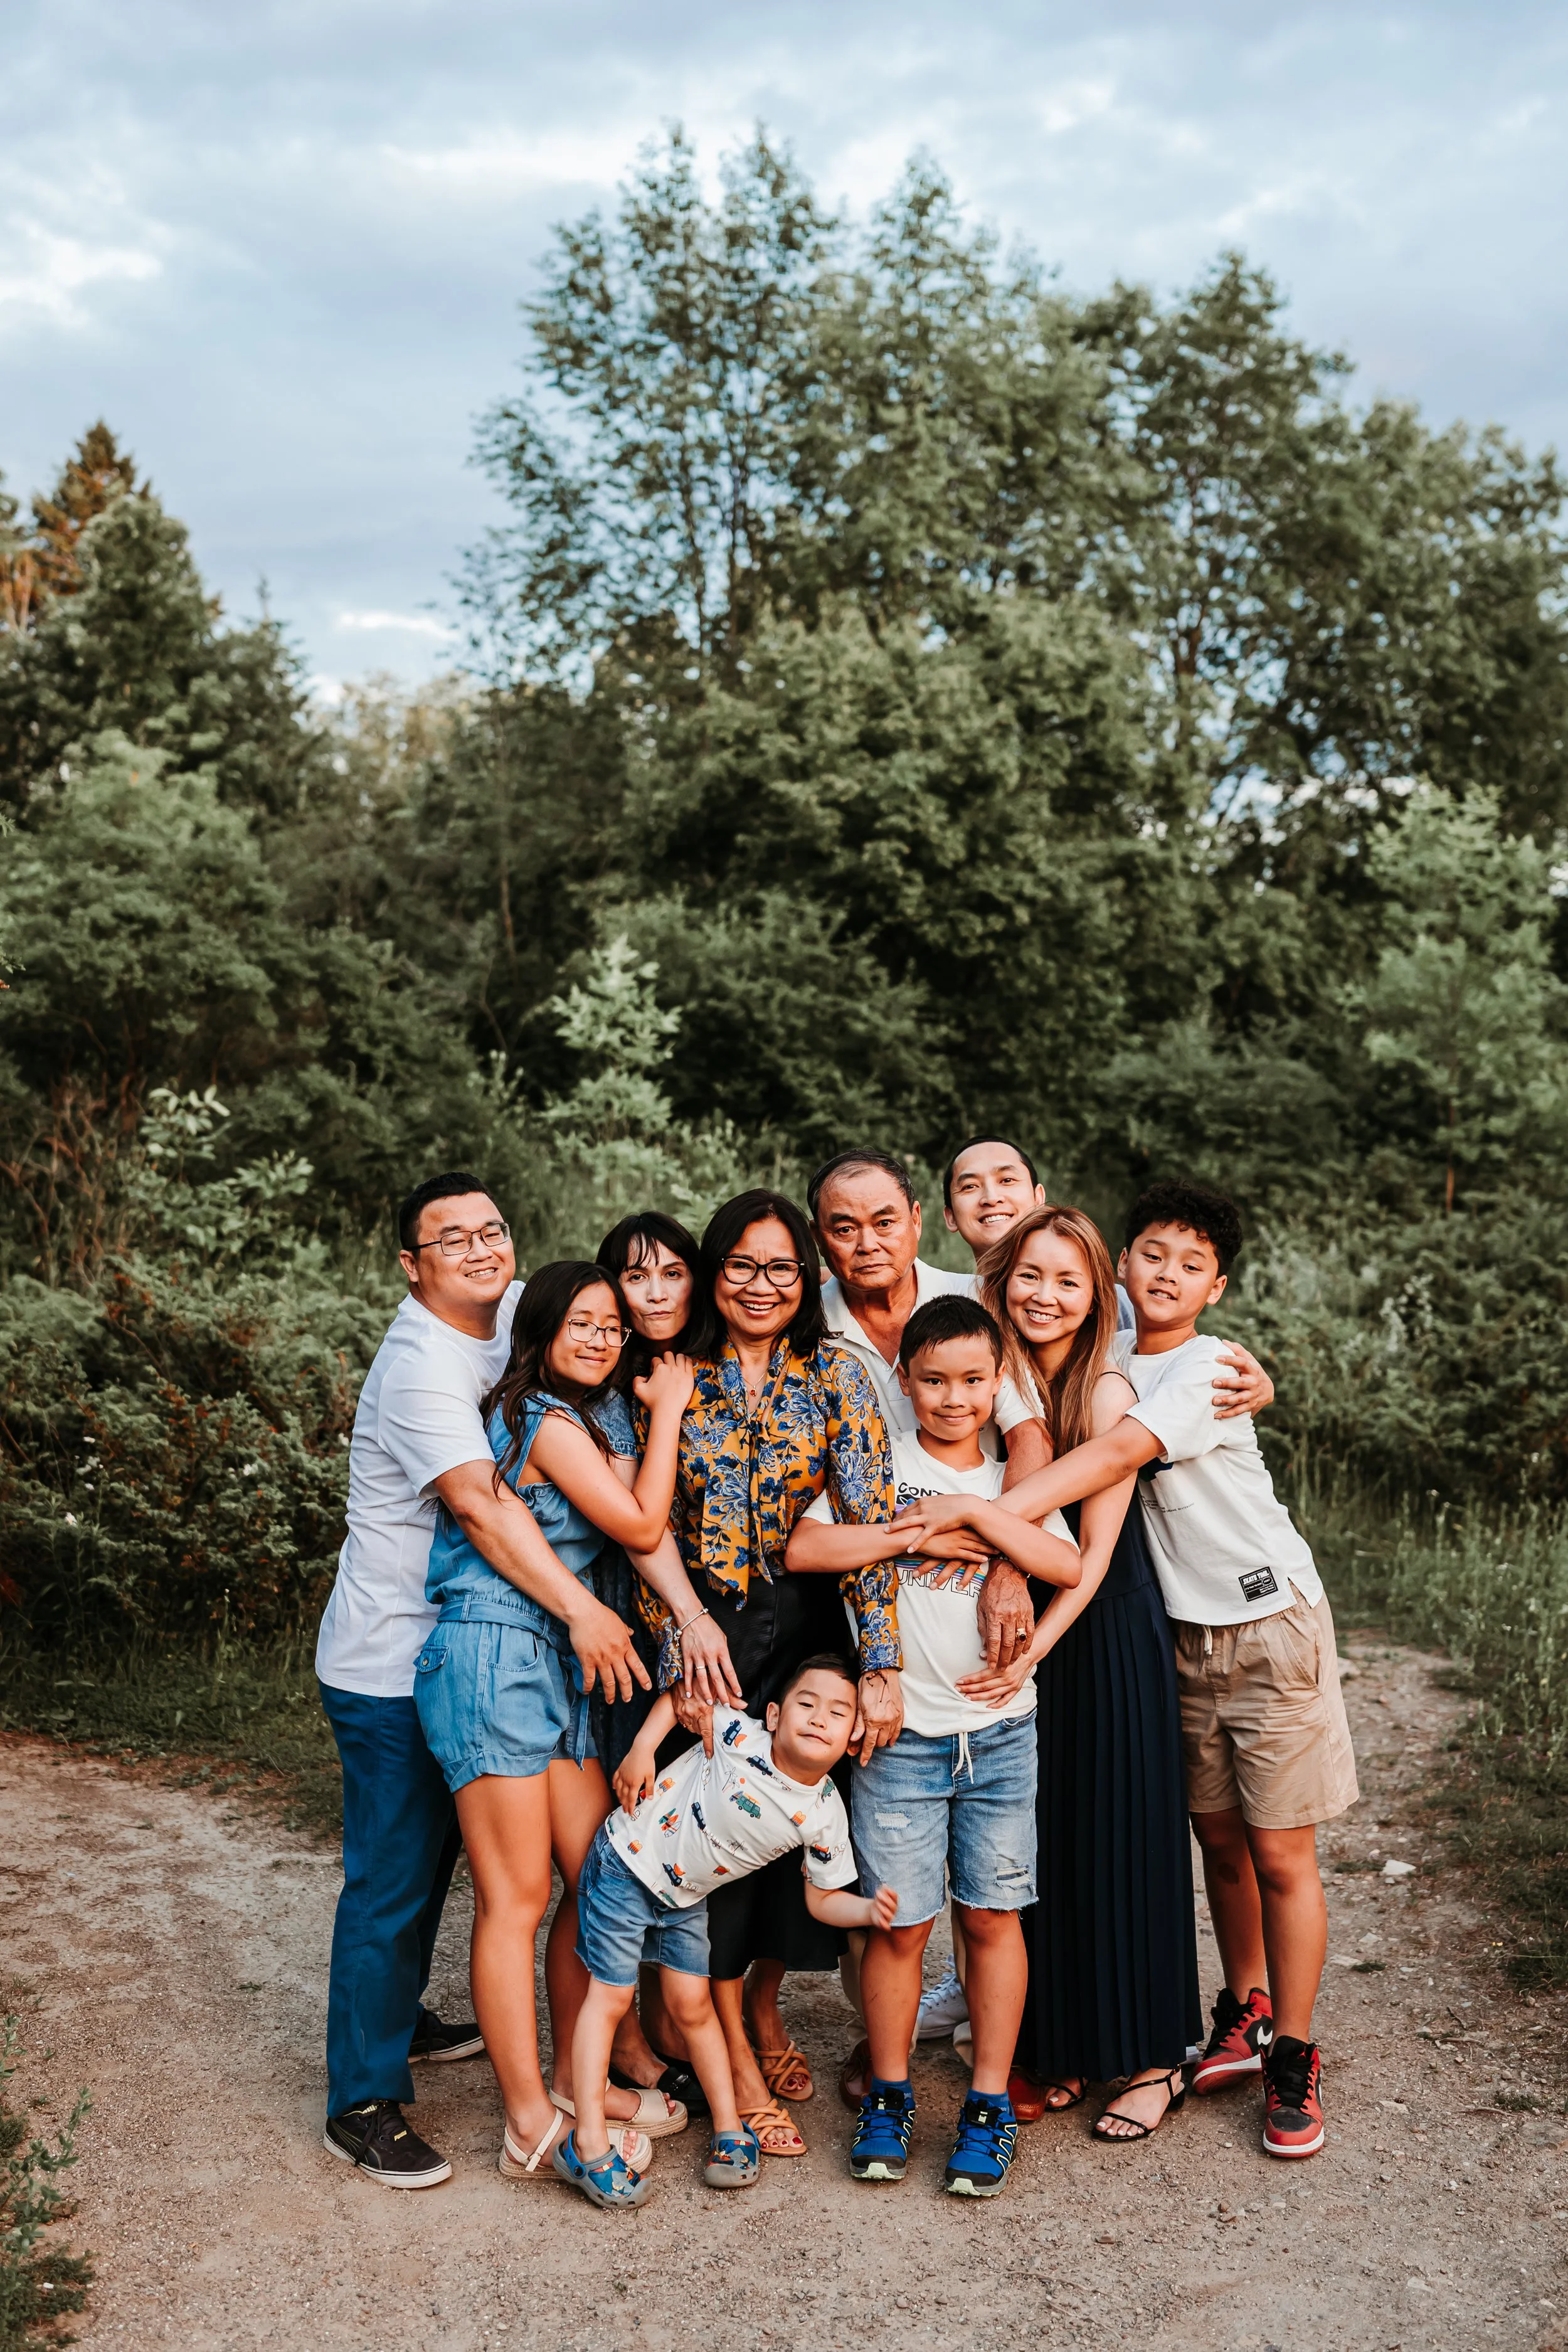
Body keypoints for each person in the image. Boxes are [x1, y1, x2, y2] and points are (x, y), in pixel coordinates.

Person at [952, 1179, 1358, 2161]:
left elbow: (1110, 1460)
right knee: (1214, 1844)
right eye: (1152, 1254)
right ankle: (1241, 2008)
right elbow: (999, 1291)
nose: (1167, 1273)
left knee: (1278, 1853)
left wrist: (979, 1526)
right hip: (1177, 1632)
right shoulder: (1109, 1344)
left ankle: (1291, 2052)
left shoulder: (1206, 1368)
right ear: (1124, 1270)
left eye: (1191, 1263)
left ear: (1217, 1286)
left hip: (1266, 1623)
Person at [315, 1172, 644, 2191]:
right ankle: (362, 2101)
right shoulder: (420, 1362)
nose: (479, 1247)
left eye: (492, 1229)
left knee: (470, 1866)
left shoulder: (502, 1320)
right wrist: (586, 1610)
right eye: (449, 1238)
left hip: (487, 1644)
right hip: (396, 1650)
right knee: (394, 1875)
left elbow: (580, 1331)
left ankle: (402, 2017)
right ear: (412, 1265)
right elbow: (485, 1510)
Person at [413, 1260, 734, 2181]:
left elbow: (644, 1524)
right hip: (492, 1652)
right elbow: (639, 1524)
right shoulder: (541, 1420)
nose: (601, 1338)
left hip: (557, 1660)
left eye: (611, 1325)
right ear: (542, 1332)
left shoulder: (593, 1419)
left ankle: (570, 2075)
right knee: (513, 1901)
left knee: (599, 1869)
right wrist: (671, 1407)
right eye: (582, 1322)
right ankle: (528, 2126)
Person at [789, 1296, 1082, 2196]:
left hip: (999, 1732)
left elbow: (1067, 1564)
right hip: (904, 1737)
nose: (954, 1398)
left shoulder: (1019, 1477)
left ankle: (988, 2102)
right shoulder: (879, 1463)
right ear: (904, 1381)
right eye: (933, 1380)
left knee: (993, 1916)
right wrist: (930, 1528)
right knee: (900, 1922)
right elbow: (806, 1544)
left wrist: (978, 1522)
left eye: (972, 1380)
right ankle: (889, 2091)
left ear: (1000, 1383)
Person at [635, 1187, 903, 2159]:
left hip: (799, 1630)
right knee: (705, 1817)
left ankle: (763, 2009)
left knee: (786, 1824)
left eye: (782, 1266)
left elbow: (869, 1523)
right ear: (715, 1271)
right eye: (741, 1265)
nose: (761, 1283)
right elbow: (641, 1521)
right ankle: (720, 2052)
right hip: (697, 1624)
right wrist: (685, 1633)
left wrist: (881, 1663)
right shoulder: (669, 1372)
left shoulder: (834, 1374)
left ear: (809, 1278)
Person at [967, 1205, 1202, 2143]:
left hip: (1099, 1626)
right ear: (1003, 1276)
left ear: (1096, 1292)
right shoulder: (1001, 1367)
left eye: (1069, 1280)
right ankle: (1061, 2039)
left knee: (1125, 1830)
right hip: (1029, 1626)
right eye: (1031, 1275)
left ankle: (1153, 2058)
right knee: (1048, 1831)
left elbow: (1097, 1553)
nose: (1046, 1295)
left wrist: (1033, 1640)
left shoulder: (1106, 1391)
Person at [558, 1657, 898, 2208]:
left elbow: (821, 1898)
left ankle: (729, 2126)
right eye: (806, 1704)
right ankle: (588, 2143)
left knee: (694, 2006)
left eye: (838, 1712)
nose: (819, 1718)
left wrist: (865, 1913)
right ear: (775, 1713)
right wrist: (644, 1747)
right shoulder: (744, 1733)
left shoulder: (825, 1810)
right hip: (628, 1862)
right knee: (613, 1996)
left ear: (853, 1734)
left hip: (685, 1897)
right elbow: (680, 1697)